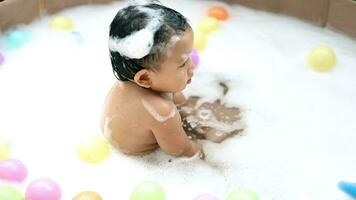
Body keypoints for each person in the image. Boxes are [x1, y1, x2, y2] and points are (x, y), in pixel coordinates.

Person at [100, 1, 203, 158]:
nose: (192, 66)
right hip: (135, 156)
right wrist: (207, 152)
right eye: (183, 64)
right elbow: (181, 151)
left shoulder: (134, 79)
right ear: (145, 78)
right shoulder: (161, 111)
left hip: (114, 131)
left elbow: (180, 102)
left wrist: (189, 113)